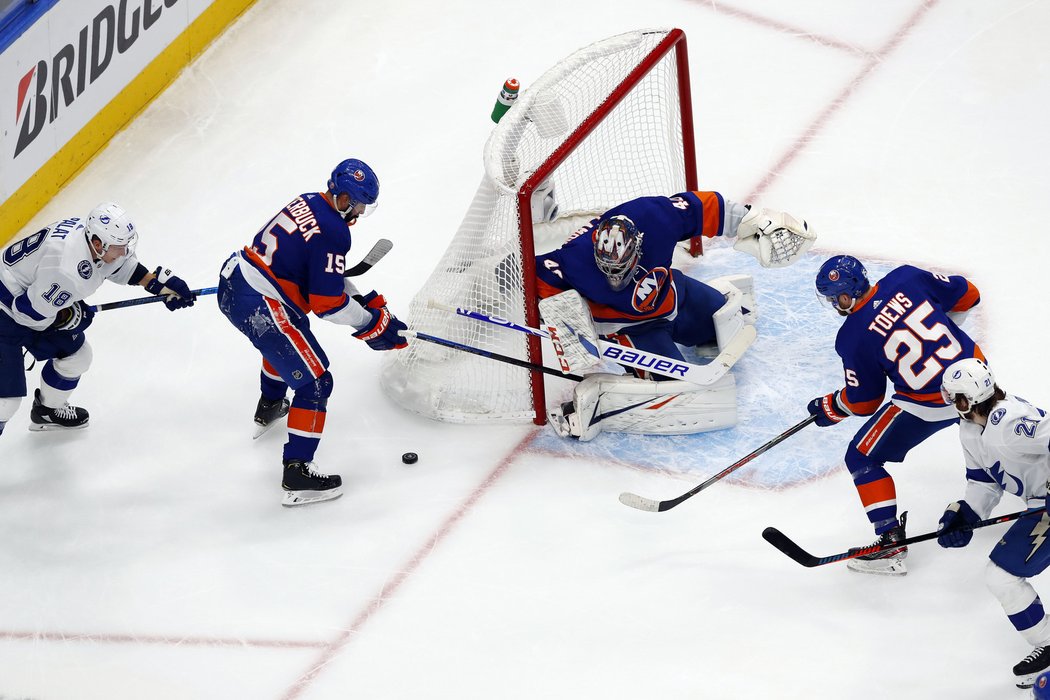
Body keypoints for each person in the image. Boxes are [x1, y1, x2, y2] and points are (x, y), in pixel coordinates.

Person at [534, 190, 814, 441]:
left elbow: (702, 206)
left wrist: (755, 220)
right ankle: (598, 406)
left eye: (621, 269)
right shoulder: (572, 259)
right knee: (675, 390)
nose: (615, 280)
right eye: (608, 271)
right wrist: (565, 324)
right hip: (633, 329)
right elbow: (528, 278)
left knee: (725, 320)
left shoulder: (654, 218)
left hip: (674, 296)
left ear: (638, 246)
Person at [217, 158, 407, 507]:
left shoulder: (309, 199)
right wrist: (370, 323)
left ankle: (271, 405)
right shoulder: (336, 230)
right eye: (359, 204)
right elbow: (327, 304)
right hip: (261, 304)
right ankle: (297, 472)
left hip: (235, 283)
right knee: (316, 382)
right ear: (343, 197)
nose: (360, 213)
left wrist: (361, 299)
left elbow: (318, 273)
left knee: (286, 342)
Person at [806, 255, 984, 575]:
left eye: (838, 297)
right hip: (977, 380)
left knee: (861, 457)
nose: (835, 304)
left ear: (851, 292)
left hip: (929, 404)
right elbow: (970, 294)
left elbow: (865, 403)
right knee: (1013, 428)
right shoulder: (906, 278)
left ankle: (889, 544)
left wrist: (832, 407)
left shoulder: (852, 336)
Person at [0, 203, 195, 435]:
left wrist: (155, 284)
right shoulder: (66, 270)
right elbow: (28, 315)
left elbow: (118, 264)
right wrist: (65, 317)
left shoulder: (90, 239)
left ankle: (46, 411)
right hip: (8, 313)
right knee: (6, 403)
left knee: (78, 357)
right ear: (97, 244)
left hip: (31, 299)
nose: (123, 252)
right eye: (118, 247)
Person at [936, 358, 1050, 690]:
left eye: (952, 396)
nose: (948, 402)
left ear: (967, 400)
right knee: (1000, 576)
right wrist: (966, 515)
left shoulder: (1008, 422)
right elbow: (984, 482)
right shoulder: (971, 429)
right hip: (1041, 505)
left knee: (1001, 575)